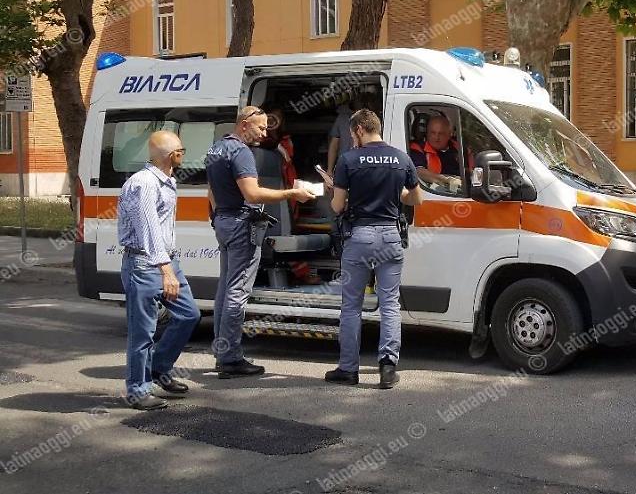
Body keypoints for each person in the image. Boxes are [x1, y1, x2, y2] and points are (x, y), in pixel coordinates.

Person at [205, 106, 315, 378]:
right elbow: (252, 194)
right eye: (261, 128)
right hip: (241, 224)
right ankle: (230, 358)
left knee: (225, 289)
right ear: (244, 125)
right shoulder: (241, 152)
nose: (265, 133)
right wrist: (293, 193)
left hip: (224, 221)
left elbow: (210, 192)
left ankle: (222, 352)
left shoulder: (216, 149)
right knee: (237, 292)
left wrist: (218, 218)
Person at [324, 109, 422, 389]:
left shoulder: (348, 160)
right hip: (391, 236)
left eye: (351, 133)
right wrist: (395, 193)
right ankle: (388, 369)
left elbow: (337, 207)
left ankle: (348, 369)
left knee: (352, 306)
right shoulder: (401, 158)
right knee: (390, 304)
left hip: (360, 237)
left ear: (357, 130)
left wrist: (334, 189)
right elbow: (416, 198)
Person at [117, 131, 201, 410]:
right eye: (181, 149)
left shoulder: (166, 181)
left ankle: (159, 367)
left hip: (166, 261)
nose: (184, 153)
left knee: (189, 314)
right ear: (171, 155)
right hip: (145, 265)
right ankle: (137, 392)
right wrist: (166, 271)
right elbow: (148, 230)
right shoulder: (144, 184)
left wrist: (169, 266)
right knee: (142, 333)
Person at [408, 115, 464, 191]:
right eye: (433, 133)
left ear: (450, 134)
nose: (436, 137)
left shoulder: (460, 148)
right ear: (427, 133)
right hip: (435, 193)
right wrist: (446, 180)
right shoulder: (418, 148)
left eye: (441, 133)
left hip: (462, 192)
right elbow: (419, 171)